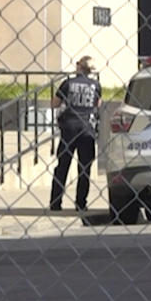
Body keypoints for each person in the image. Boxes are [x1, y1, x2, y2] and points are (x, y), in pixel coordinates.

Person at [49, 55, 101, 212]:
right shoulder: (96, 85)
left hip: (69, 127)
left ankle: (56, 203)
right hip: (87, 129)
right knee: (84, 168)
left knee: (63, 166)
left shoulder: (68, 83)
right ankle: (81, 203)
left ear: (79, 66)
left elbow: (54, 103)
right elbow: (98, 104)